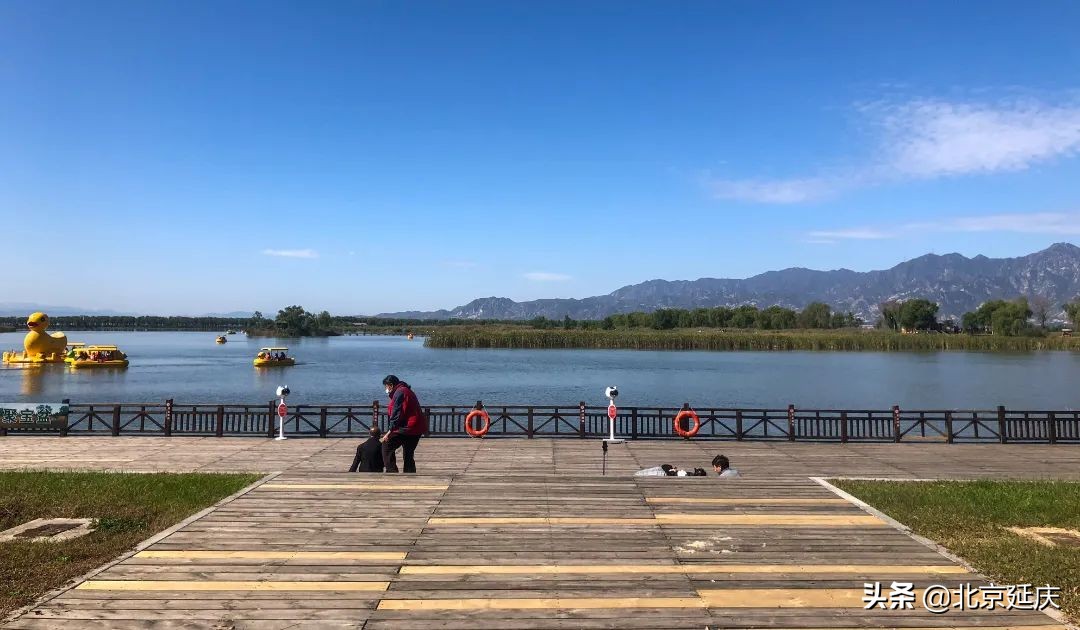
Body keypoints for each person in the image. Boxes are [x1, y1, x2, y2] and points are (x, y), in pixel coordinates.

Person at [380, 375, 427, 473]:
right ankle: (409, 475)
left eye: (386, 386)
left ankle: (392, 471)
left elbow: (396, 413)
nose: (386, 389)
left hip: (407, 427)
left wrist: (389, 432)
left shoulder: (400, 392)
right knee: (408, 454)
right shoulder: (406, 390)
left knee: (386, 445)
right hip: (416, 427)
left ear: (391, 385)